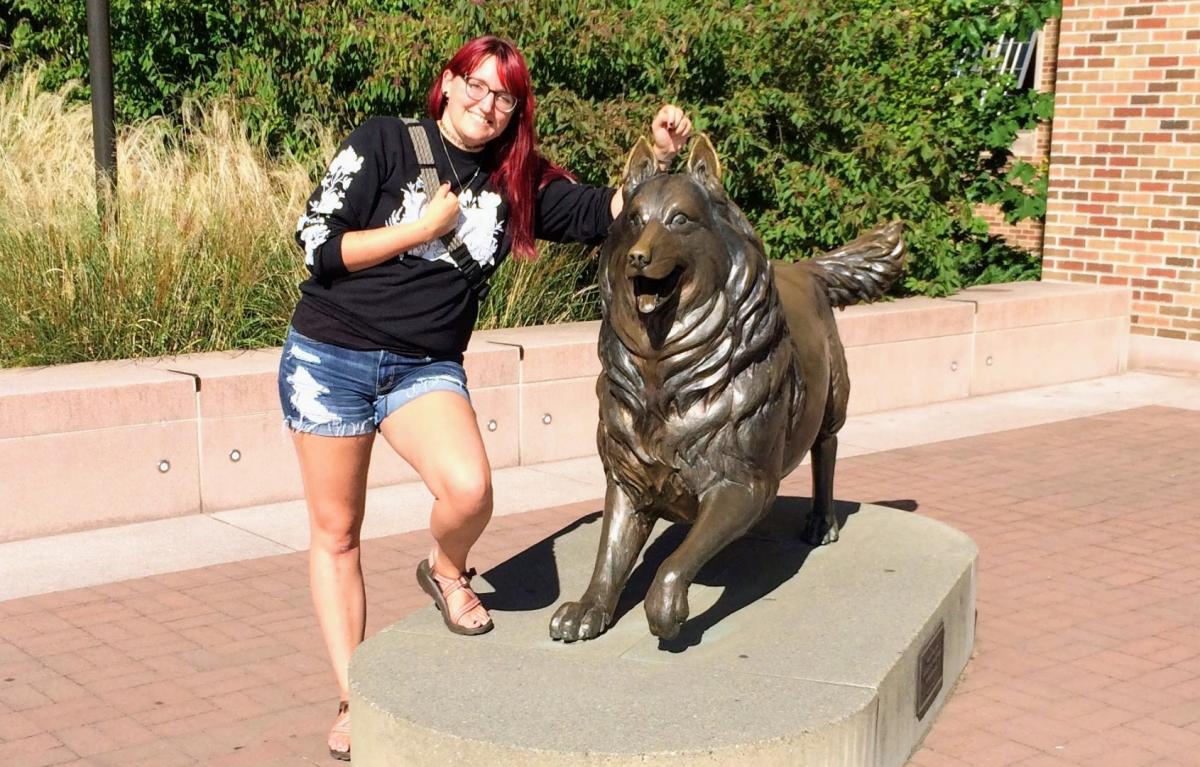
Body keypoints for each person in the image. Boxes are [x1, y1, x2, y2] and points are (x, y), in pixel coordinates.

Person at [279, 34, 691, 761]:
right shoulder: (385, 141)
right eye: (476, 84)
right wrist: (421, 229)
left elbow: (607, 212)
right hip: (330, 355)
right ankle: (354, 696)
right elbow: (317, 243)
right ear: (448, 82)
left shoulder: (517, 177)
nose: (487, 103)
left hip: (422, 368)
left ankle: (445, 569)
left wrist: (660, 160)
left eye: (505, 95)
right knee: (337, 532)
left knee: (470, 491)